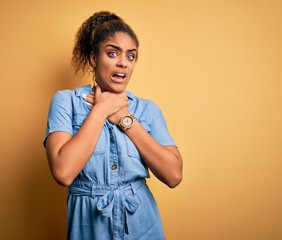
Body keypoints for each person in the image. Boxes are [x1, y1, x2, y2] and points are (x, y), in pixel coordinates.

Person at [44, 10, 183, 240]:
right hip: (89, 228)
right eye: (112, 53)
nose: (123, 63)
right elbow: (63, 172)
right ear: (93, 58)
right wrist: (101, 110)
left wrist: (125, 119)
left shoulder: (147, 110)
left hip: (142, 224)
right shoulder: (65, 101)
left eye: (131, 56)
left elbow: (174, 175)